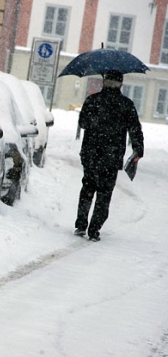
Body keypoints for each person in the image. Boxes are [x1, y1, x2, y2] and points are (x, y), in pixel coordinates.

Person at [74, 70, 144, 242]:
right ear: (121, 85)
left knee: (88, 189)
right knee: (104, 193)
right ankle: (94, 229)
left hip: (91, 153)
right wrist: (138, 149)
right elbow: (135, 129)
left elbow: (82, 123)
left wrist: (96, 122)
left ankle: (81, 224)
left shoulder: (92, 100)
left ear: (104, 82)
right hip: (111, 157)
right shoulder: (126, 105)